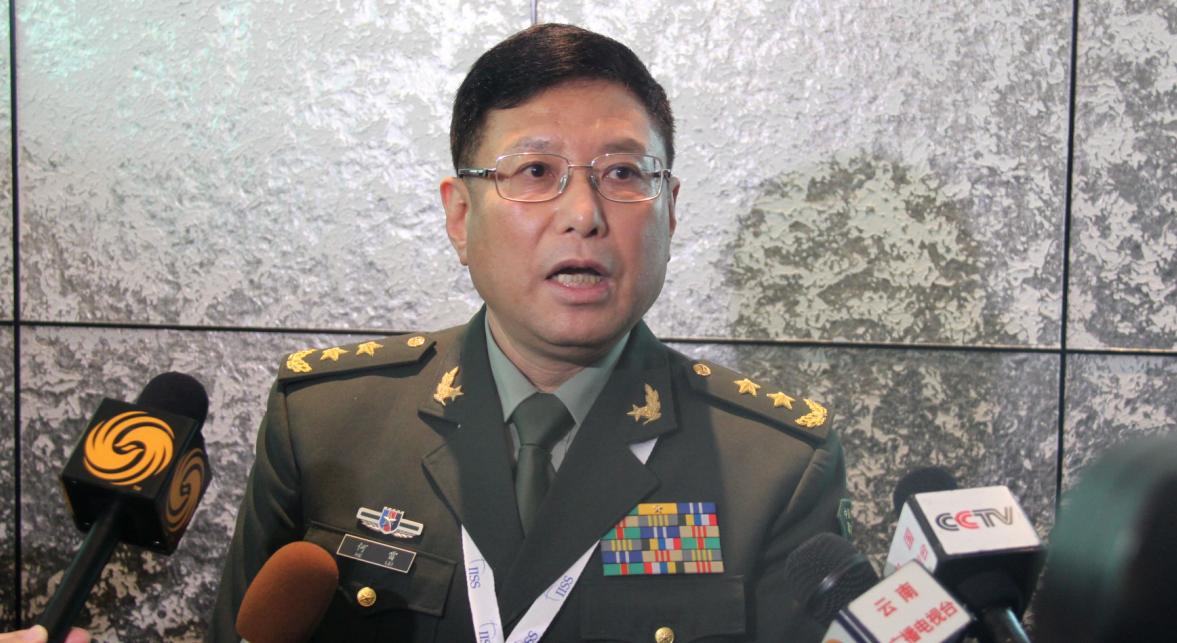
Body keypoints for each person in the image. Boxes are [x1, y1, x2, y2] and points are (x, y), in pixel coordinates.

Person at [208, 23, 846, 642]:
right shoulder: (326, 422)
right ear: (460, 216)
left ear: (671, 212)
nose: (584, 215)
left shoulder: (775, 467)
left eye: (624, 173)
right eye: (536, 171)